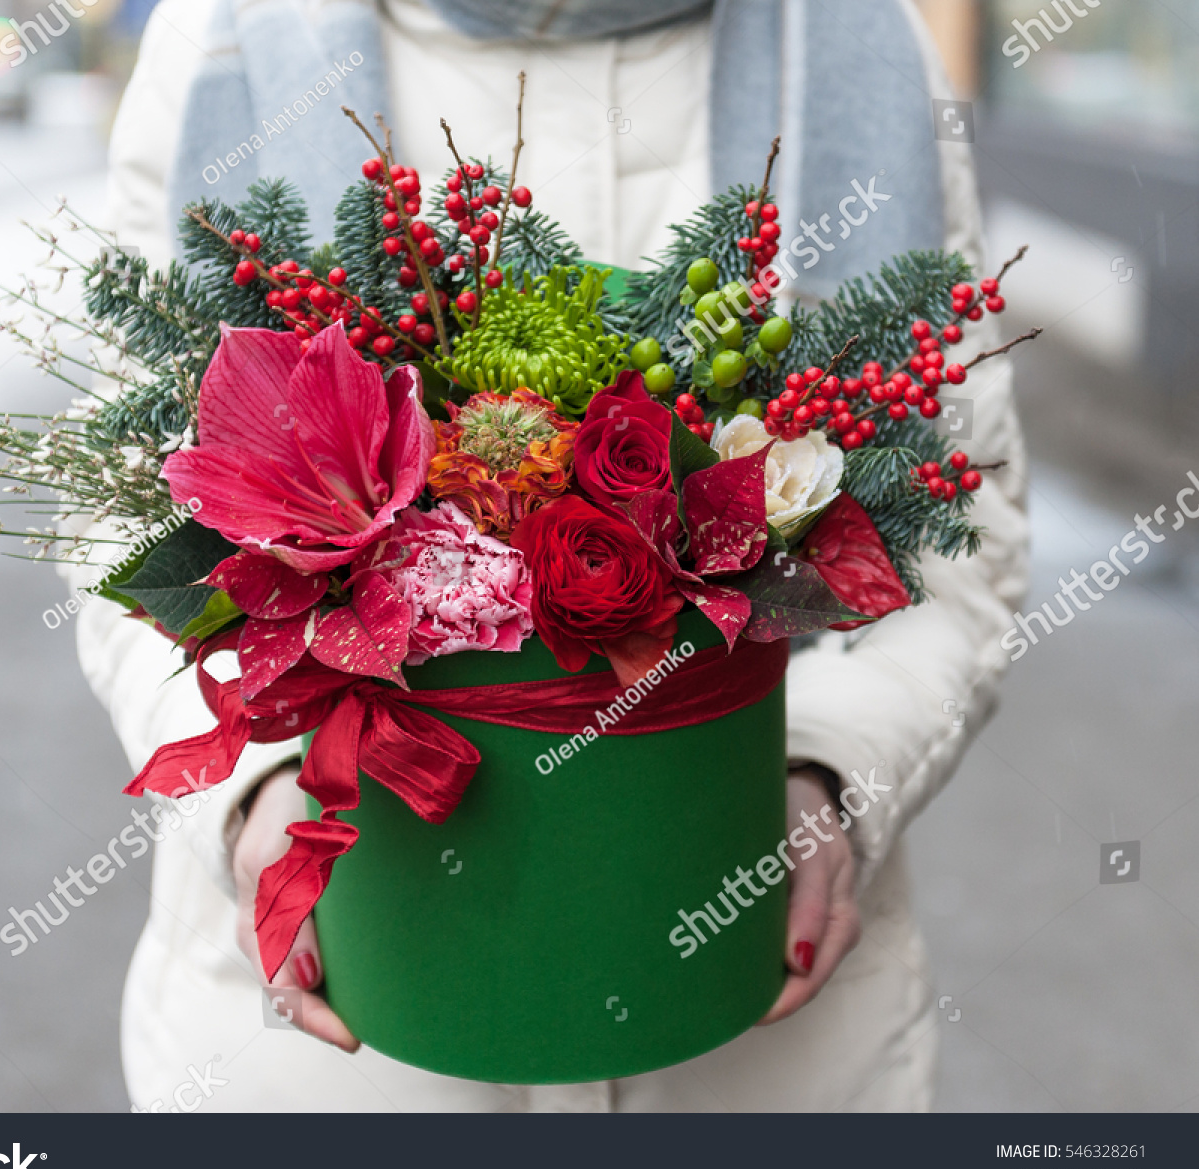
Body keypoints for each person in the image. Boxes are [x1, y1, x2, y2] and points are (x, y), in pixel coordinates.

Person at [71, 0, 1030, 1111]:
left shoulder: (856, 39)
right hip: (328, 1067)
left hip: (774, 1057)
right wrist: (266, 796)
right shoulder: (232, 40)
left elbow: (960, 532)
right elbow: (135, 520)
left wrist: (833, 779)